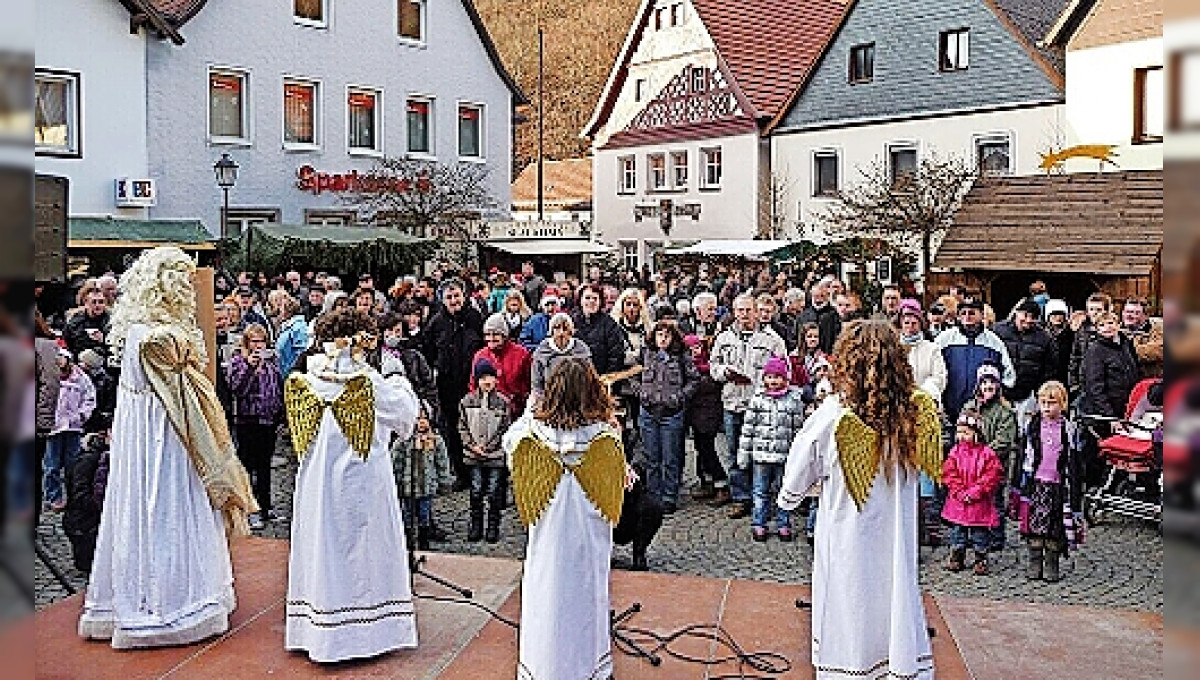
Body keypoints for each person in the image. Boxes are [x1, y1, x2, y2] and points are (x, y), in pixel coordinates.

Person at [80, 247, 257, 649]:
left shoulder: (134, 332)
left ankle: (137, 599)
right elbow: (190, 402)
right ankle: (172, 605)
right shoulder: (160, 339)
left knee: (141, 512)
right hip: (167, 440)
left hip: (143, 437)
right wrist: (214, 453)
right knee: (166, 511)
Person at [778, 320, 942, 680]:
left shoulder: (831, 417)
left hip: (847, 538)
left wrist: (816, 487)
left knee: (849, 611)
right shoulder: (914, 416)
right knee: (895, 602)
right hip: (897, 541)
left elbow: (791, 486)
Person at [283, 309, 420, 663]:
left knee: (323, 546)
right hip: (360, 481)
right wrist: (398, 377)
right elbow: (405, 415)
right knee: (363, 549)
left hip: (318, 483)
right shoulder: (366, 380)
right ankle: (361, 635)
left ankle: (318, 628)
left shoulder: (306, 378)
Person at [504, 358, 628, 680]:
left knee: (545, 600)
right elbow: (616, 489)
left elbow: (511, 442)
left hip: (548, 545)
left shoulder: (529, 436)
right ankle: (588, 668)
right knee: (586, 601)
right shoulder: (606, 439)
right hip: (586, 545)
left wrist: (531, 410)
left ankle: (542, 668)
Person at [710, 294, 787, 517]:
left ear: (756, 311)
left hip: (760, 405)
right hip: (732, 402)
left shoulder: (771, 339)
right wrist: (724, 372)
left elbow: (784, 368)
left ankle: (761, 498)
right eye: (740, 310)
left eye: (748, 310)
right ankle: (740, 497)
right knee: (735, 452)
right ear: (733, 312)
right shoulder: (723, 338)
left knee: (761, 453)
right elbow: (714, 365)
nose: (744, 315)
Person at [1012, 381, 1081, 582]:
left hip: (1057, 483)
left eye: (1051, 403)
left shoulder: (1068, 429)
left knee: (1054, 525)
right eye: (1043, 402)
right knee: (1035, 523)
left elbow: (1074, 461)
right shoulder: (1032, 426)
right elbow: (1023, 456)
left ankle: (1052, 561)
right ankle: (1035, 560)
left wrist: (1074, 489)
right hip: (1036, 481)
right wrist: (1019, 485)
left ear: (1062, 404)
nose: (1046, 407)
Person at [738, 356, 808, 542]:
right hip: (761, 455)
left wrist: (798, 455)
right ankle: (759, 523)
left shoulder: (793, 400)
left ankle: (783, 523)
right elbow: (748, 429)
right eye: (770, 377)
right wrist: (744, 454)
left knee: (783, 490)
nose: (773, 381)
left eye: (777, 377)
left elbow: (798, 430)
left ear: (785, 379)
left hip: (784, 455)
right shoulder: (758, 399)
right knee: (760, 491)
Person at [633, 321, 699, 514]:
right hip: (649, 411)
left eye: (666, 335)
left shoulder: (681, 356)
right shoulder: (645, 354)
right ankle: (654, 495)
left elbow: (694, 380)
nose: (662, 339)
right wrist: (642, 392)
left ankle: (670, 495)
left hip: (671, 413)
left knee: (671, 457)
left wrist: (679, 397)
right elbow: (632, 375)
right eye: (659, 335)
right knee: (652, 458)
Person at [423, 281, 484, 486]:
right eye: (449, 297)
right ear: (443, 300)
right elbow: (429, 350)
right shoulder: (436, 322)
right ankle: (461, 473)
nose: (454, 301)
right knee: (453, 429)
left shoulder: (474, 318)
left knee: (476, 426)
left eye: (456, 296)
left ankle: (479, 470)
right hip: (447, 384)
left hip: (472, 381)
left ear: (464, 296)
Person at [226, 323, 283, 530]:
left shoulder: (271, 362)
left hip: (268, 420)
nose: (259, 346)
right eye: (254, 341)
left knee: (265, 465)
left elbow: (278, 386)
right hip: (248, 420)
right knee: (247, 466)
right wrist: (250, 367)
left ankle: (266, 506)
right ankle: (250, 509)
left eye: (262, 341)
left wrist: (279, 415)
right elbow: (236, 388)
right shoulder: (238, 361)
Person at [960, 363, 1018, 552]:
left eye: (992, 382)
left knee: (995, 502)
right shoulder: (969, 407)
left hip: (993, 467)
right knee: (972, 501)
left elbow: (1004, 442)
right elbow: (961, 433)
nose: (988, 386)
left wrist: (981, 456)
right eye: (984, 382)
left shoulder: (1005, 412)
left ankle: (995, 537)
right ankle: (973, 536)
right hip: (968, 467)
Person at [941, 409, 1006, 575]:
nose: (962, 436)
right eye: (959, 432)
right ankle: (957, 556)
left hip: (979, 502)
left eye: (966, 432)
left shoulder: (987, 454)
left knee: (980, 533)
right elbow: (949, 473)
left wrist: (976, 491)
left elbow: (991, 475)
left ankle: (980, 558)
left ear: (976, 433)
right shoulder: (955, 452)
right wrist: (959, 491)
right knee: (958, 532)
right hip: (959, 501)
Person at [459, 359, 513, 542]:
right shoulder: (467, 401)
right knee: (475, 491)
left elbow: (504, 429)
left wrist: (489, 447)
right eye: (482, 378)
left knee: (493, 491)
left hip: (495, 455)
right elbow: (462, 427)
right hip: (473, 454)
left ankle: (493, 526)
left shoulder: (503, 403)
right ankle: (476, 524)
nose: (486, 381)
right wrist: (472, 446)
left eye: (490, 377)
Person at [936, 296, 1016, 422]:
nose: (967, 316)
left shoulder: (994, 342)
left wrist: (997, 400)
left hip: (983, 414)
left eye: (972, 313)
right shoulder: (944, 340)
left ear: (982, 315)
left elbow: (1008, 376)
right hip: (949, 411)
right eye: (963, 313)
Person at [392, 402, 453, 550]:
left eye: (425, 418)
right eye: (418, 418)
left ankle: (424, 542)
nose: (422, 422)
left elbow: (442, 463)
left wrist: (444, 482)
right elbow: (396, 462)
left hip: (426, 486)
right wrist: (396, 482)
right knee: (407, 516)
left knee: (424, 516)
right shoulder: (404, 440)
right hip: (408, 487)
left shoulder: (436, 440)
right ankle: (407, 543)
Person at [43, 349, 96, 512]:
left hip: (73, 427)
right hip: (54, 427)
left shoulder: (81, 378)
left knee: (72, 464)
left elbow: (90, 398)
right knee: (51, 465)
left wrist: (82, 416)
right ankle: (53, 496)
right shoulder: (50, 375)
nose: (59, 361)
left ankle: (73, 496)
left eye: (62, 358)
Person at [993, 298, 1058, 429]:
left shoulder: (1045, 338)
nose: (1028, 320)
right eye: (1025, 315)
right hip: (1000, 393)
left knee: (1025, 431)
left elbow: (1049, 370)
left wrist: (1041, 396)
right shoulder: (997, 331)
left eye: (1033, 317)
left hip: (1028, 394)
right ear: (1017, 313)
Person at [684, 334, 726, 501]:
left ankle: (721, 483)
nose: (694, 351)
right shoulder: (686, 367)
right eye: (690, 349)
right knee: (700, 450)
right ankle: (707, 482)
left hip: (709, 414)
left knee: (708, 450)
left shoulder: (708, 367)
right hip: (695, 415)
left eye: (697, 347)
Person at [469, 314, 533, 417]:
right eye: (487, 334)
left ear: (504, 335)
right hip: (490, 413)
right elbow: (473, 385)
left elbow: (530, 382)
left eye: (495, 334)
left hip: (517, 411)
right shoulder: (480, 355)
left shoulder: (521, 354)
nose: (491, 338)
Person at [1082, 311, 1139, 421]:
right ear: (1097, 329)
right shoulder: (1095, 350)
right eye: (1102, 325)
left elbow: (1136, 369)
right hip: (1108, 410)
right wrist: (1109, 416)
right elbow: (1095, 387)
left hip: (1129, 405)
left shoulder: (1126, 344)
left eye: (1110, 323)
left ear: (1118, 324)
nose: (1107, 328)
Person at [530, 312, 592, 401]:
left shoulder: (581, 348)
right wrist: (542, 400)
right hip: (548, 398)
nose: (561, 333)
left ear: (570, 331)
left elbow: (589, 378)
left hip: (577, 397)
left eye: (565, 328)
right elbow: (536, 382)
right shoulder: (542, 350)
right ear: (552, 331)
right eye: (557, 328)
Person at [1068, 292, 1112, 404]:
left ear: (1106, 311)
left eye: (1098, 310)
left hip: (1106, 385)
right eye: (1091, 309)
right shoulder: (1082, 330)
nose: (1095, 313)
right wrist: (1073, 384)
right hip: (1083, 385)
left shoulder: (1111, 331)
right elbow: (1075, 357)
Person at [573, 284, 626, 376]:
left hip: (602, 379)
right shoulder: (571, 322)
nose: (591, 301)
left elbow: (616, 355)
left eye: (595, 298)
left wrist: (607, 378)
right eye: (587, 298)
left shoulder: (609, 324)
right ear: (580, 300)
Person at [1121, 297, 1163, 379]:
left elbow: (1159, 350)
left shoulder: (1159, 328)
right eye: (1126, 312)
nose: (1129, 315)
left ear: (1145, 316)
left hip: (1151, 381)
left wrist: (1127, 350)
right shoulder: (1115, 330)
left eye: (1135, 313)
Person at [63, 288, 111, 359]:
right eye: (94, 302)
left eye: (101, 302)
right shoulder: (75, 321)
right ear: (86, 303)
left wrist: (104, 340)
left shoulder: (111, 321)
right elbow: (66, 342)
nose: (97, 305)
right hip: (79, 363)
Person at [275, 295, 310, 376]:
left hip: (290, 375)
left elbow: (301, 353)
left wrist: (292, 372)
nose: (278, 310)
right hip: (282, 372)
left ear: (288, 310)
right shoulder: (288, 325)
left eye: (280, 307)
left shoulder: (299, 327)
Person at [1044, 299, 1074, 385]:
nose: (1058, 317)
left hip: (1065, 377)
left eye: (1060, 314)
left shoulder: (1071, 334)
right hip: (1046, 378)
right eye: (1054, 314)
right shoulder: (1041, 335)